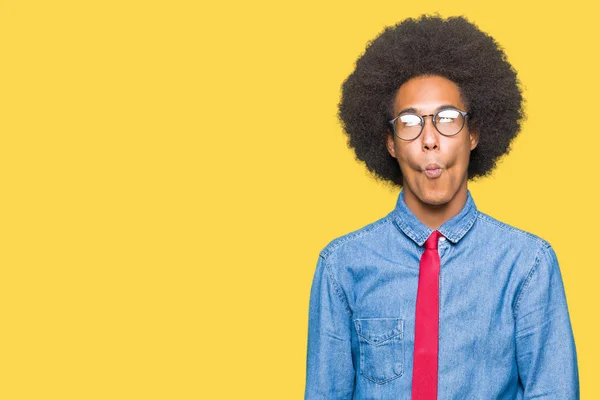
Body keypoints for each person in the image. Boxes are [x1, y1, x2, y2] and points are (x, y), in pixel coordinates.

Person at [304, 15, 579, 399]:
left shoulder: (527, 264)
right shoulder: (342, 266)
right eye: (410, 121)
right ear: (390, 142)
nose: (430, 139)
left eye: (448, 119)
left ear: (474, 135)